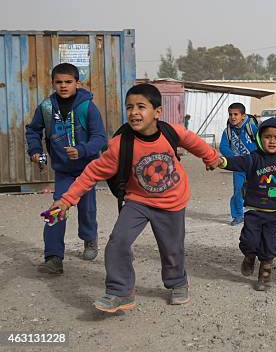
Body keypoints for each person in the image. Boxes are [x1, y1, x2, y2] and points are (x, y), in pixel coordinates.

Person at [46, 83, 220, 312]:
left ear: (157, 112)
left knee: (172, 248)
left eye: (141, 107)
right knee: (118, 242)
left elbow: (192, 140)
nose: (134, 112)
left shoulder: (171, 132)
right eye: (129, 107)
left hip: (172, 202)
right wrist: (67, 200)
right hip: (137, 201)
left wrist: (211, 157)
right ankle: (120, 292)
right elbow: (92, 172)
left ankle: (177, 282)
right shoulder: (120, 144)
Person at [25, 63, 107, 274]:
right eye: (59, 82)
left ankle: (89, 239)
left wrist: (82, 149)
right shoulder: (46, 107)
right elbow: (33, 130)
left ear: (77, 83)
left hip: (87, 171)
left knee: (87, 210)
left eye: (68, 82)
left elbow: (100, 138)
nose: (63, 86)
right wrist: (35, 150)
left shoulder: (87, 107)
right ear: (52, 84)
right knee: (56, 210)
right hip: (63, 171)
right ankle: (53, 257)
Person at [216, 118, 276, 291]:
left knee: (270, 244)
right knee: (249, 241)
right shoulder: (254, 158)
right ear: (260, 138)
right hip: (255, 210)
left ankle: (265, 272)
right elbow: (238, 162)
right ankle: (249, 256)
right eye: (267, 137)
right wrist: (222, 161)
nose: (272, 141)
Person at [219, 103, 259, 226]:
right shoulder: (228, 131)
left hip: (254, 165)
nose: (233, 117)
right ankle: (237, 215)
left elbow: (262, 142)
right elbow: (223, 147)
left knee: (258, 189)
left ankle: (259, 213)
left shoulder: (252, 128)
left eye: (236, 114)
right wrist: (235, 159)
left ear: (243, 116)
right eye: (230, 114)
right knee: (238, 191)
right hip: (239, 167)